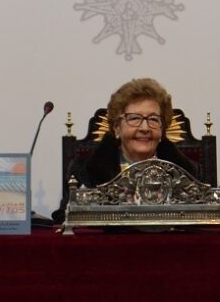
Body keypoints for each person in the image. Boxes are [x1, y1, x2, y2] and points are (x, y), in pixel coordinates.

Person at [55, 78, 198, 218]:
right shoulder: (83, 171)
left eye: (153, 119)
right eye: (134, 118)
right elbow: (66, 218)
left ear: (162, 130)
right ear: (117, 127)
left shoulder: (188, 173)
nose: (144, 128)